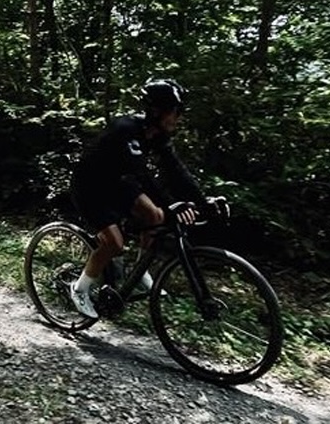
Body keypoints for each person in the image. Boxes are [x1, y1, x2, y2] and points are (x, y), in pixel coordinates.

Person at [68, 79, 228, 319]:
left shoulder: (157, 136)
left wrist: (204, 203)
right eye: (176, 112)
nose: (179, 118)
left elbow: (177, 172)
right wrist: (171, 205)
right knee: (114, 243)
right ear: (157, 111)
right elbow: (143, 176)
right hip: (91, 187)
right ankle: (79, 289)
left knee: (154, 215)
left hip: (118, 183)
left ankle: (139, 270)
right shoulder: (125, 129)